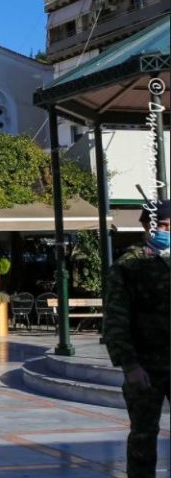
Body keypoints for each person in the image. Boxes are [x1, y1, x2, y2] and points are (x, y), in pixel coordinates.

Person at [105, 199, 170, 477]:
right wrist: (130, 365)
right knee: (143, 439)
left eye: (170, 226)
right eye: (161, 225)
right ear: (146, 227)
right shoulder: (128, 266)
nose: (165, 231)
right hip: (146, 366)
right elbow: (116, 321)